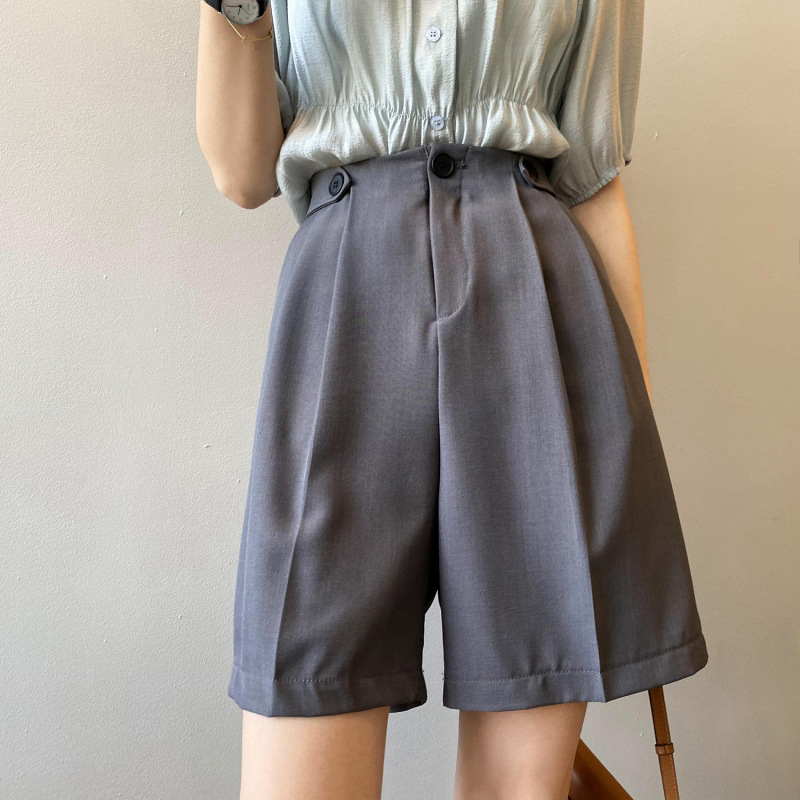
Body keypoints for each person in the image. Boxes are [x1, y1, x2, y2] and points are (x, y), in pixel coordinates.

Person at [196, 1, 709, 798]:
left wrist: (628, 429)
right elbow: (241, 173)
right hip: (345, 300)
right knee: (302, 706)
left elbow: (592, 180)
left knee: (519, 784)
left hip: (534, 294)